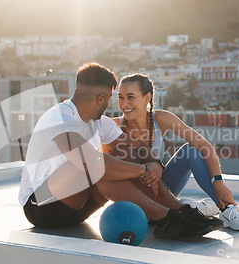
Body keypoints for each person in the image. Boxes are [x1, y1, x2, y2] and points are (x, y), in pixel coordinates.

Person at [18, 62, 220, 241]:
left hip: (79, 209)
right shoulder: (59, 118)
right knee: (93, 163)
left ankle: (179, 211)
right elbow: (90, 163)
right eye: (111, 98)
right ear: (101, 98)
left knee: (124, 153)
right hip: (41, 207)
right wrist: (143, 171)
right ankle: (165, 218)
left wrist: (155, 164)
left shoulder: (100, 123)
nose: (111, 104)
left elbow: (139, 148)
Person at [106, 73, 239, 231]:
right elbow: (106, 170)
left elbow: (203, 145)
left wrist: (218, 183)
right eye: (121, 97)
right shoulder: (112, 127)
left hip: (161, 191)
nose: (124, 104)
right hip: (133, 200)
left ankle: (227, 210)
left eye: (130, 97)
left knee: (190, 150)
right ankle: (196, 207)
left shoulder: (160, 119)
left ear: (146, 98)